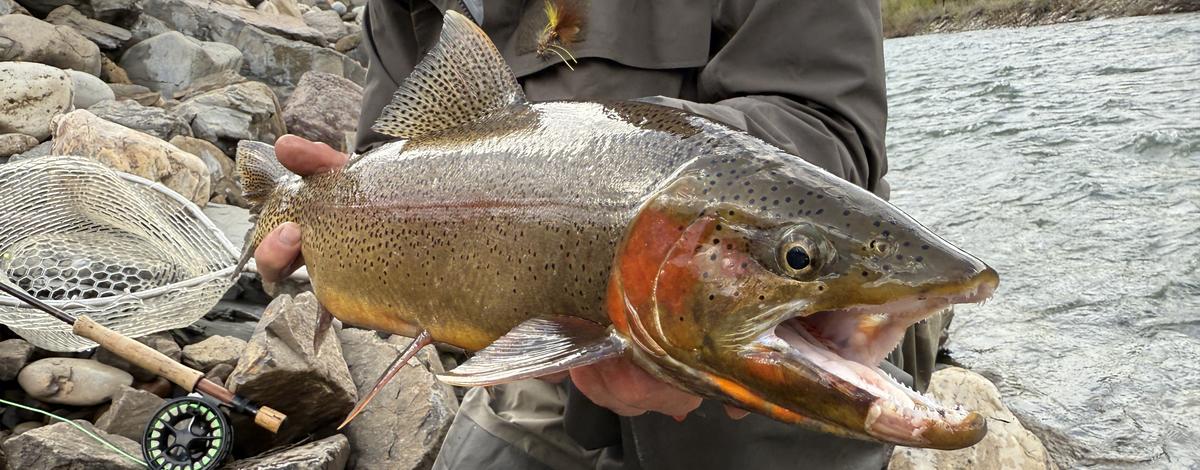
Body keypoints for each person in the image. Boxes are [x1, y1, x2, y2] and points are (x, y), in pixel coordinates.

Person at [255, 1, 952, 468]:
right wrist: (355, 230)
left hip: (759, 322)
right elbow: (399, 144)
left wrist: (642, 196)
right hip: (542, 355)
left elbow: (829, 125)